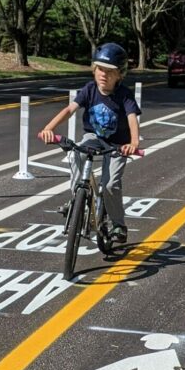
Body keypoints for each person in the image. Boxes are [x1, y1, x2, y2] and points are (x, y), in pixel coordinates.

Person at [39, 42, 141, 244]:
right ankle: (78, 197)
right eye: (100, 69)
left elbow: (131, 118)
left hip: (118, 144)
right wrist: (49, 128)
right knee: (76, 153)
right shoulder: (90, 89)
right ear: (94, 70)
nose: (103, 75)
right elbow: (70, 110)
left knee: (110, 184)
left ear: (120, 75)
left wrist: (134, 143)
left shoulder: (124, 95)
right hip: (93, 138)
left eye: (110, 72)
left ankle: (118, 224)